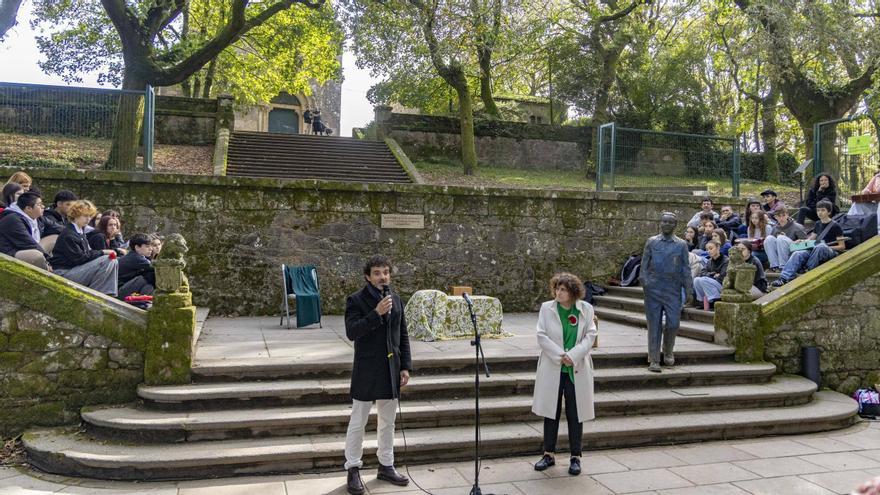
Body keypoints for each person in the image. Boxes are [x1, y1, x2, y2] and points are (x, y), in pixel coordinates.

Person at [343, 255, 412, 495]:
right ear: (367, 276)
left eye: (385, 272)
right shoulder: (356, 300)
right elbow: (352, 332)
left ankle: (386, 465)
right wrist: (376, 313)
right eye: (377, 273)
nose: (383, 277)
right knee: (358, 421)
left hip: (391, 369)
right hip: (367, 369)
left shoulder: (397, 299)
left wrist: (405, 366)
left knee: (388, 422)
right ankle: (353, 468)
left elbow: (402, 335)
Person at [532, 272, 597, 476]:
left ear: (573, 292)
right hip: (553, 366)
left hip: (576, 368)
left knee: (575, 413)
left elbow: (590, 335)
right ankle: (548, 454)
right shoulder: (547, 308)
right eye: (557, 289)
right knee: (550, 412)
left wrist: (573, 355)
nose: (558, 293)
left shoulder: (586, 309)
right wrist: (561, 356)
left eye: (563, 290)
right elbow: (541, 335)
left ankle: (575, 457)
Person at [639, 212, 693, 373]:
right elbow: (644, 266)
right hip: (654, 288)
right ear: (660, 223)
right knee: (654, 324)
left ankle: (668, 349)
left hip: (673, 289)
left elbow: (685, 268)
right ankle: (654, 359)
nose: (666, 224)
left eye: (670, 222)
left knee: (673, 323)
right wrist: (646, 283)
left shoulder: (681, 244)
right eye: (664, 221)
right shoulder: (652, 242)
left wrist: (688, 289)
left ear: (675, 225)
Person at [48, 200, 118, 296]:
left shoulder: (79, 232)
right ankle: (97, 295)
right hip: (64, 272)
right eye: (85, 216)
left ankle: (104, 293)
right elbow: (80, 258)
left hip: (74, 270)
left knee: (113, 260)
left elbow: (86, 255)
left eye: (90, 216)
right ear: (75, 215)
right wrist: (102, 252)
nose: (88, 219)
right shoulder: (69, 234)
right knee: (107, 259)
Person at [772, 200, 845, 287]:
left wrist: (826, 246)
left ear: (829, 212)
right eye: (818, 210)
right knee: (797, 253)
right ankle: (784, 278)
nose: (820, 212)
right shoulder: (818, 223)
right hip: (816, 249)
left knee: (821, 246)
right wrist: (801, 241)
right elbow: (811, 239)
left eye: (823, 210)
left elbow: (842, 246)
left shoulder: (835, 226)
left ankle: (807, 269)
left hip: (829, 251)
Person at [0, 192, 49, 270]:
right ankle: (48, 272)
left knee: (55, 237)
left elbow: (57, 228)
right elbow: (28, 242)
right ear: (28, 208)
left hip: (28, 247)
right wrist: (49, 260)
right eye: (39, 205)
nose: (43, 206)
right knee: (36, 255)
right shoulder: (13, 219)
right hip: (10, 252)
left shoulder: (37, 218)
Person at [38, 190, 78, 255]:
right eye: (68, 204)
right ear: (59, 204)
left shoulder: (67, 218)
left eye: (74, 206)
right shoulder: (48, 216)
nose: (72, 208)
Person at [691, 241, 728, 309]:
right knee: (696, 280)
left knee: (704, 280)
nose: (708, 251)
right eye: (707, 249)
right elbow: (702, 273)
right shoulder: (709, 261)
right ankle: (702, 301)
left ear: (718, 248)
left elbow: (722, 277)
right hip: (712, 282)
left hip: (722, 286)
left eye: (711, 248)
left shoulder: (726, 260)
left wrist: (708, 277)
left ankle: (715, 300)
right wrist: (712, 274)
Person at [117, 234, 155, 299]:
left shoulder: (136, 256)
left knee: (149, 283)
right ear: (137, 247)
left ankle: (144, 300)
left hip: (125, 288)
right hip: (120, 291)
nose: (151, 249)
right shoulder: (135, 258)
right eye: (147, 246)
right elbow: (156, 267)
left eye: (151, 246)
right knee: (149, 275)